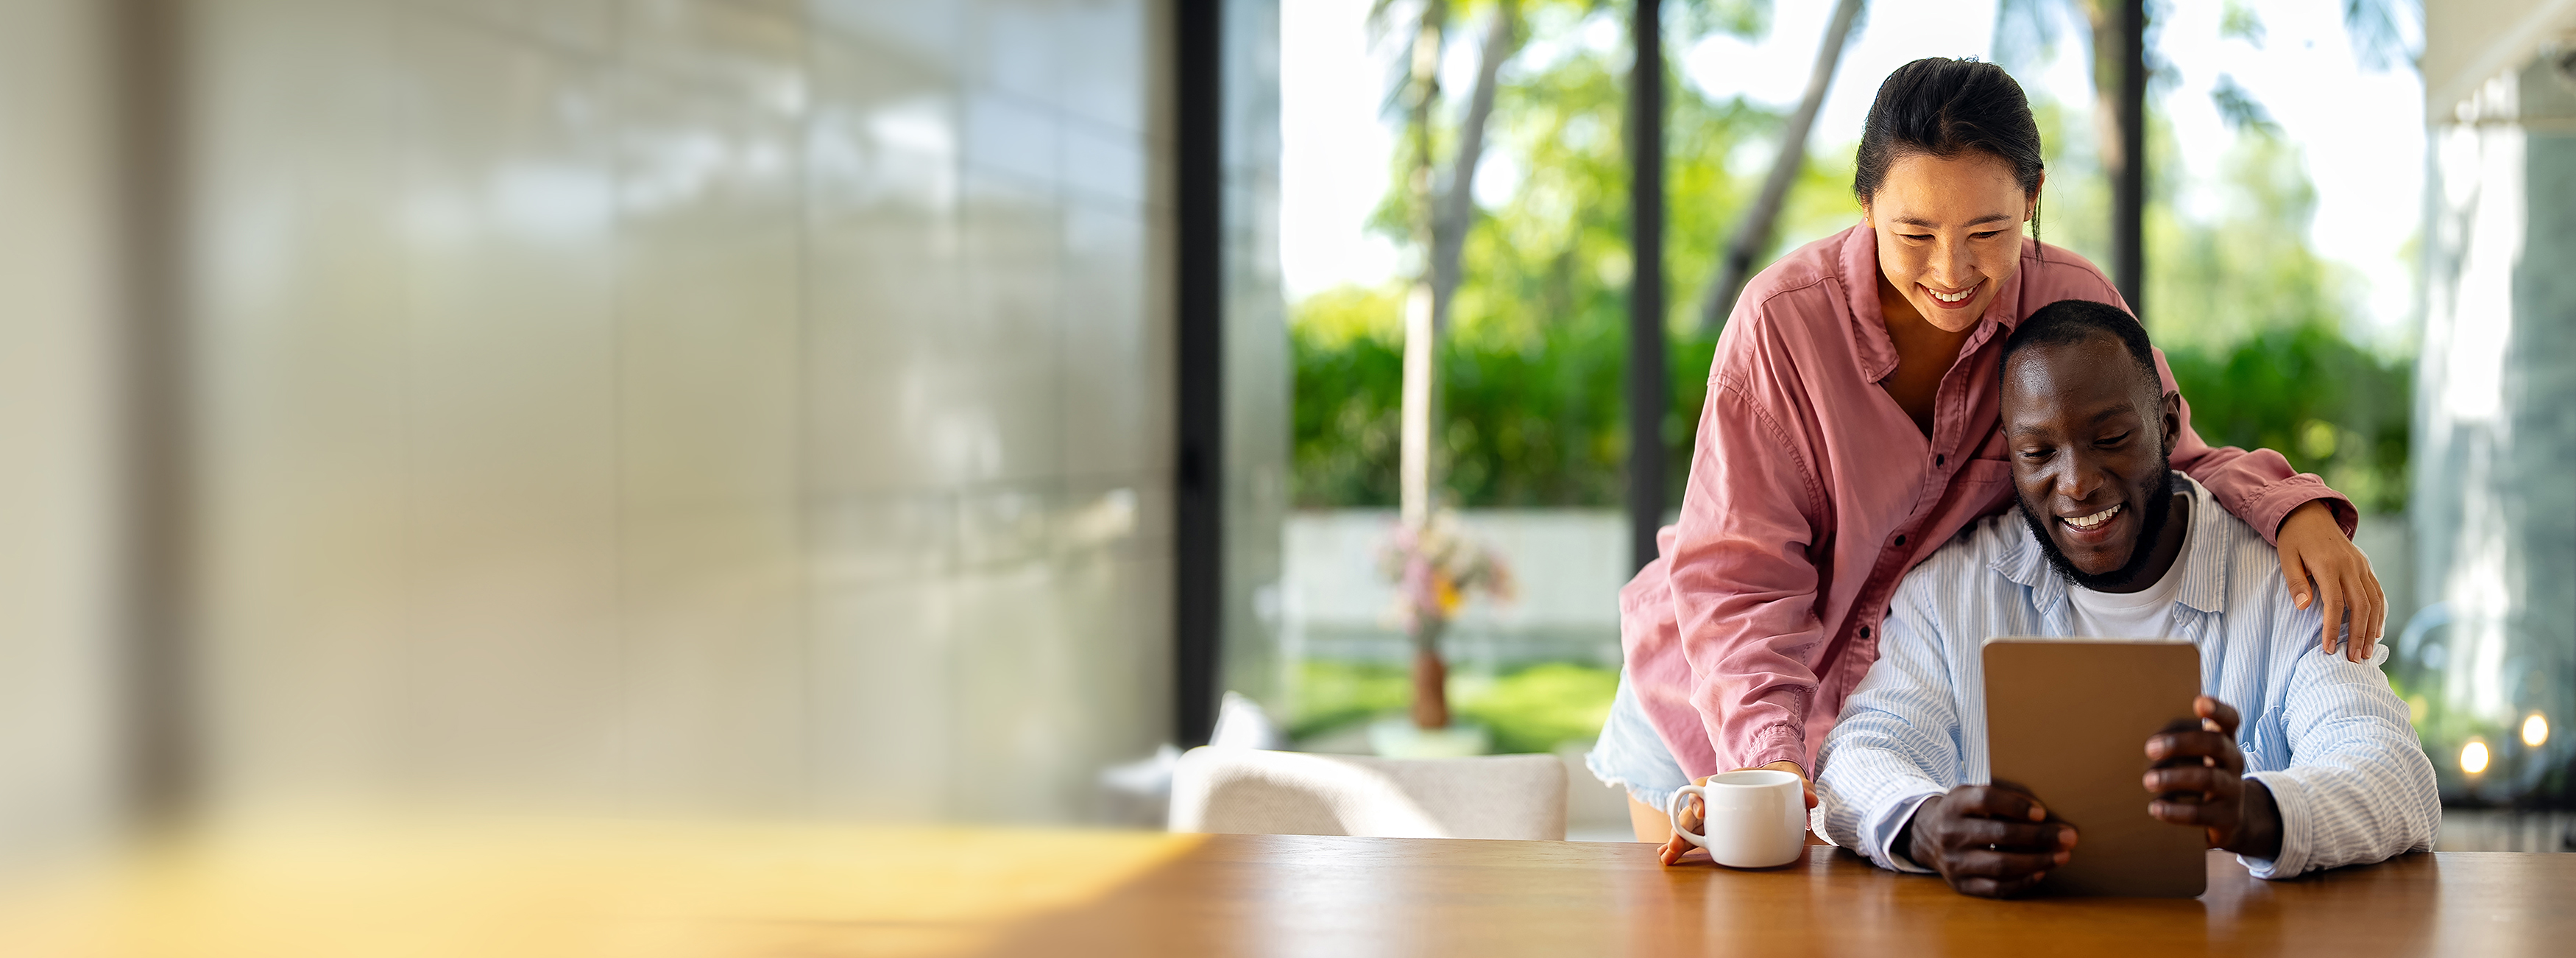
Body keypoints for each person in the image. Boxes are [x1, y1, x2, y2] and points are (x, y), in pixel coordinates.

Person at [1583, 57, 2388, 864]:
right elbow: (1738, 575)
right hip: (1710, 698)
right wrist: (1765, 762)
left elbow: (2166, 449)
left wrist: (2296, 510)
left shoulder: (2068, 298)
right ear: (1864, 205)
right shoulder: (1782, 325)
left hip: (1859, 725)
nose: (1950, 270)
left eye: (1986, 232)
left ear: (2031, 197)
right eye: (1914, 234)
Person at [1811, 299, 2438, 895]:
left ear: (2167, 425)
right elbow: (1858, 757)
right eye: (2038, 453)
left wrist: (2252, 811)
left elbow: (2396, 779)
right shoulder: (1949, 592)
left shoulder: (2287, 585)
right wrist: (1923, 827)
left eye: (2111, 438)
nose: (2078, 483)